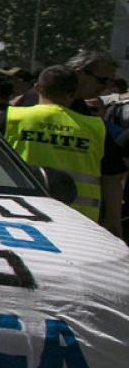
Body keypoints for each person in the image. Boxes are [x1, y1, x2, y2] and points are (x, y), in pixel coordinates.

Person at [3, 65, 110, 229]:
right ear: (74, 94)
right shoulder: (96, 127)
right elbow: (113, 177)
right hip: (79, 219)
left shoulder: (14, 117)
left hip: (18, 209)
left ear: (37, 88)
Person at [65, 51, 127, 236]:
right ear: (80, 73)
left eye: (110, 82)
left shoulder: (90, 117)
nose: (106, 88)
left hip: (79, 224)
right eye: (102, 80)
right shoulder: (25, 108)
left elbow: (111, 176)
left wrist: (113, 225)